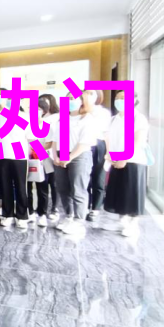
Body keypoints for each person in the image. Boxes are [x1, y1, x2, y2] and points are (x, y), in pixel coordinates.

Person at [49, 92, 98, 235]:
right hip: (60, 154)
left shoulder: (87, 119)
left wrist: (70, 157)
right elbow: (55, 140)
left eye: (73, 98)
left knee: (78, 188)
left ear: (82, 100)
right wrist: (55, 156)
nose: (70, 101)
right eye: (68, 98)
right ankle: (69, 216)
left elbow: (85, 142)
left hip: (79, 156)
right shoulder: (62, 118)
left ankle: (78, 221)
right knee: (63, 188)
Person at [103, 91, 149, 237]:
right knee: (120, 191)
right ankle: (122, 221)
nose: (120, 101)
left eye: (123, 98)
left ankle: (134, 224)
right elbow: (108, 138)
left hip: (133, 160)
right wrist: (109, 154)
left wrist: (125, 158)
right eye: (118, 98)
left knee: (132, 192)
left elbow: (138, 141)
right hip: (116, 159)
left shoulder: (138, 118)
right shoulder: (113, 119)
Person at [0, 96, 34, 228]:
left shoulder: (25, 116)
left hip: (18, 152)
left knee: (20, 186)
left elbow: (30, 137)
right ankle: (7, 214)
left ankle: (22, 216)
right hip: (1, 152)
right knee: (4, 186)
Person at [26, 97, 54, 227]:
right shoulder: (25, 124)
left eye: (37, 109)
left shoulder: (47, 126)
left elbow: (49, 143)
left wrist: (36, 148)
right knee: (27, 187)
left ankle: (42, 214)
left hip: (42, 157)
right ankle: (30, 212)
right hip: (26, 156)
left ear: (43, 111)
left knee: (42, 187)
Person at [86, 90, 112, 222]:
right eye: (86, 93)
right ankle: (85, 206)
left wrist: (108, 152)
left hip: (99, 145)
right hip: (83, 145)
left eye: (91, 94)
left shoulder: (103, 113)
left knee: (98, 178)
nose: (88, 96)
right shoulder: (81, 110)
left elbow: (106, 133)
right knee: (84, 179)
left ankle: (95, 208)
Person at [38, 93, 61, 221]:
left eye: (45, 101)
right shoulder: (34, 120)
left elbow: (52, 140)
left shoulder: (57, 117)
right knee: (42, 182)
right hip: (38, 153)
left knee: (54, 183)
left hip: (52, 153)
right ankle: (41, 210)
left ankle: (55, 208)